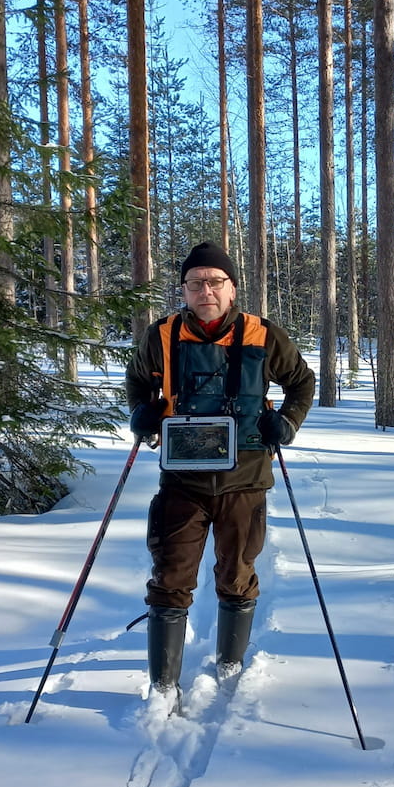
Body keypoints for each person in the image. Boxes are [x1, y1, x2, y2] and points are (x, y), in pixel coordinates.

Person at [124, 242, 316, 702]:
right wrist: (142, 415)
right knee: (170, 575)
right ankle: (163, 684)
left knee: (236, 571)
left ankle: (230, 663)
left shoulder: (263, 334)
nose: (205, 290)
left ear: (232, 288)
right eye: (195, 283)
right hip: (182, 480)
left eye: (215, 282)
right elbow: (136, 379)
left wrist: (285, 423)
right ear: (184, 291)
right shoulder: (162, 335)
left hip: (245, 478)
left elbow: (302, 381)